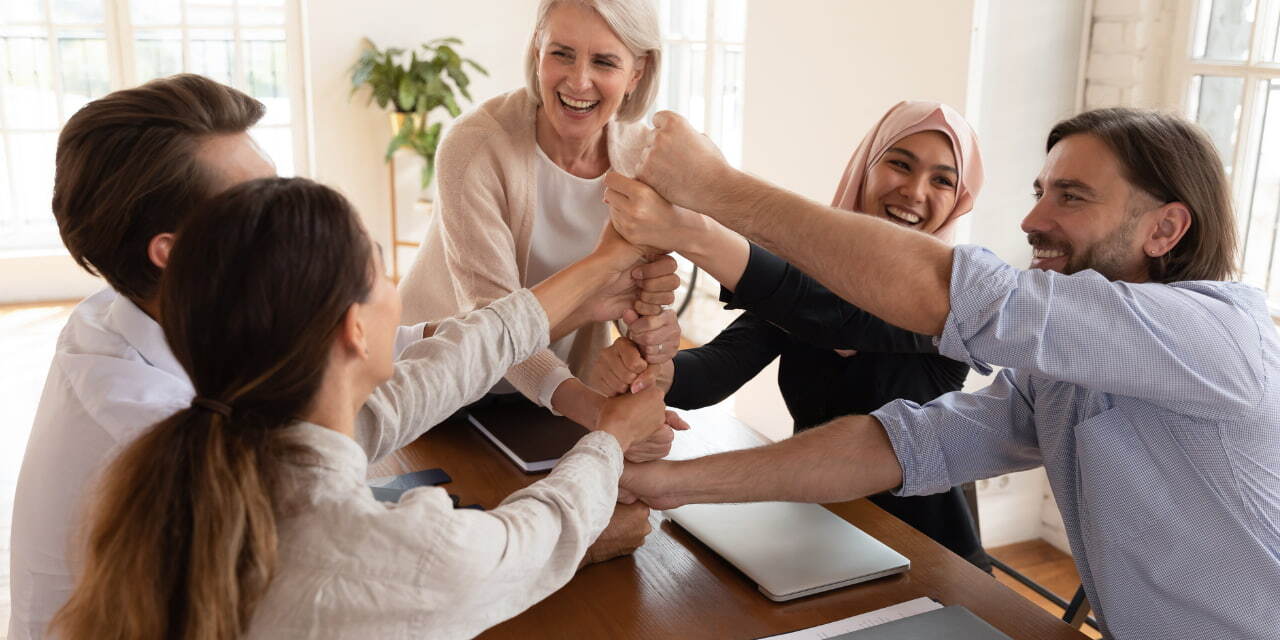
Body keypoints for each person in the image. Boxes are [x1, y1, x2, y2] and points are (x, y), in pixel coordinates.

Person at [9, 74, 665, 640]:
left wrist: (595, 276)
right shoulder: (149, 432)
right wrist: (603, 461)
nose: (276, 215)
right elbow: (450, 565)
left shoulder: (207, 361)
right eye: (249, 207)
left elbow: (409, 380)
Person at [614, 107, 1280, 638]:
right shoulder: (1062, 373)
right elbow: (903, 443)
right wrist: (663, 483)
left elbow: (947, 296)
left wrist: (714, 194)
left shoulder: (1220, 334)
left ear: (1165, 230)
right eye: (1039, 192)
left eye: (1070, 198)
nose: (1031, 220)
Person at [592, 101, 989, 568]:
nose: (915, 192)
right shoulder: (809, 281)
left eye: (942, 179)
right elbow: (718, 370)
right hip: (815, 528)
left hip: (930, 556)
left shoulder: (956, 304)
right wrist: (656, 371)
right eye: (900, 164)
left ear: (960, 199)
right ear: (866, 168)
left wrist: (696, 229)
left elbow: (832, 314)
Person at [397, 0, 683, 458]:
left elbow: (636, 303)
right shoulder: (474, 147)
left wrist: (649, 340)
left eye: (605, 61)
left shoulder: (644, 159)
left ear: (637, 72)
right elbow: (489, 325)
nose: (578, 80)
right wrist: (599, 415)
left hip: (552, 396)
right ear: (536, 50)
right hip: (433, 387)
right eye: (562, 53)